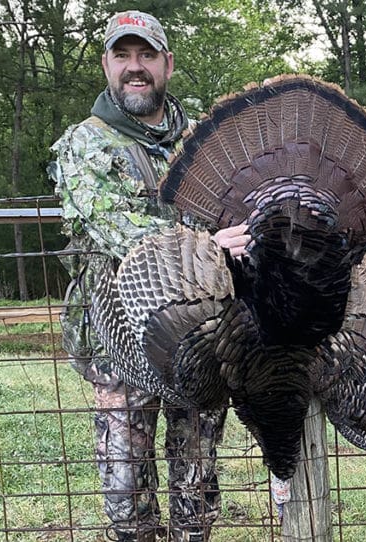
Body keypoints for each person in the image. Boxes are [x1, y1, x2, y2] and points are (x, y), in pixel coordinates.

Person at [49, 11, 248, 542]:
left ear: (167, 63)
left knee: (197, 475)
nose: (135, 68)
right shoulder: (85, 144)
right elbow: (119, 227)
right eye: (123, 56)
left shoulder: (204, 138)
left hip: (202, 330)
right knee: (126, 484)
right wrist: (205, 245)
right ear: (107, 65)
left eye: (146, 55)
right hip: (119, 332)